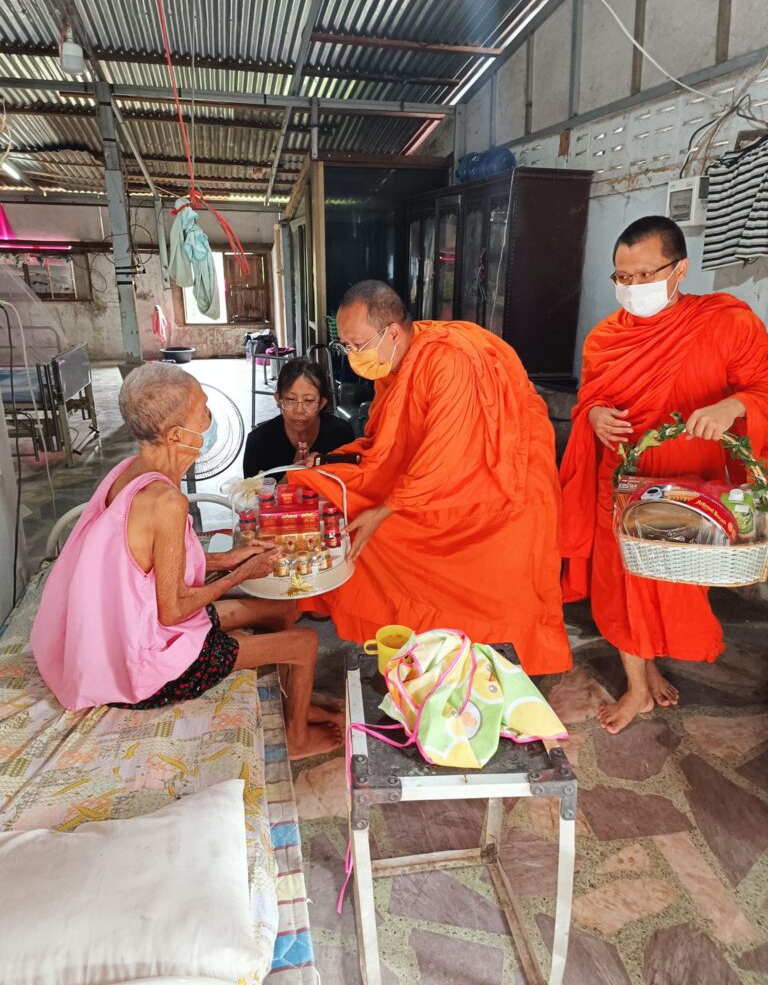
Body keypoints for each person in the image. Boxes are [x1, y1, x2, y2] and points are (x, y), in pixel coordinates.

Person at [30, 364, 342, 759]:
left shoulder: (128, 470)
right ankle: (296, 739)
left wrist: (228, 558)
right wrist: (240, 574)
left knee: (283, 610)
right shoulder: (167, 502)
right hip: (149, 667)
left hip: (138, 631)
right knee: (305, 642)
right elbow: (174, 609)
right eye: (203, 409)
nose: (210, 418)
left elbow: (144, 567)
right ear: (178, 435)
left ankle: (293, 701)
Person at [288, 280, 573, 676]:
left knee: (392, 531)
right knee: (342, 497)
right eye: (346, 347)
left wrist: (385, 509)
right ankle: (425, 646)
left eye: (356, 345)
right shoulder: (397, 357)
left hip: (501, 488)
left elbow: (445, 454)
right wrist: (339, 461)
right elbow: (392, 438)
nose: (352, 356)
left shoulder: (448, 359)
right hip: (444, 477)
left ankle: (486, 668)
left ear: (391, 331)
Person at [560, 215, 768, 733]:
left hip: (689, 488)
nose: (631, 289)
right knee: (620, 583)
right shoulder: (605, 338)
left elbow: (763, 389)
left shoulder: (728, 323)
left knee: (668, 583)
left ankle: (648, 668)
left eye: (644, 276)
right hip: (623, 480)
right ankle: (638, 686)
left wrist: (734, 405)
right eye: (622, 278)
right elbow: (590, 400)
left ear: (680, 270)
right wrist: (592, 416)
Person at [243, 357, 356, 476]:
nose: (299, 410)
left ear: (322, 403)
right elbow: (249, 492)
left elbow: (353, 483)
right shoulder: (258, 441)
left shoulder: (341, 434)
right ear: (279, 400)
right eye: (291, 399)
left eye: (309, 400)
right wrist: (293, 474)